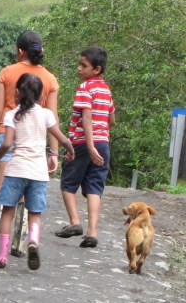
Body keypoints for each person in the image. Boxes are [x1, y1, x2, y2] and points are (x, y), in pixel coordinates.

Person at [0, 30, 60, 258]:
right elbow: (53, 117)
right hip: (34, 142)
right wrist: (54, 152)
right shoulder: (50, 79)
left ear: (19, 51)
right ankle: (19, 243)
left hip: (6, 134)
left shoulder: (7, 72)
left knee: (3, 193)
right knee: (28, 198)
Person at [0, 73, 74, 270]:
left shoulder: (12, 115)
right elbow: (62, 138)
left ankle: (2, 256)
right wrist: (70, 151)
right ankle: (33, 242)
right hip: (38, 173)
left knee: (7, 212)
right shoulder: (46, 115)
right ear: (40, 95)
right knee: (35, 212)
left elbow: (6, 144)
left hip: (16, 170)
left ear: (18, 92)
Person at [55, 46, 115, 249]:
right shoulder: (106, 90)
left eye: (84, 65)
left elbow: (86, 116)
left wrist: (89, 145)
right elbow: (111, 119)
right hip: (103, 143)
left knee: (68, 182)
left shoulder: (85, 88)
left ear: (96, 69)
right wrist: (99, 137)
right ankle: (92, 233)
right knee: (95, 187)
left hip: (82, 143)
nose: (79, 68)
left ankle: (75, 222)